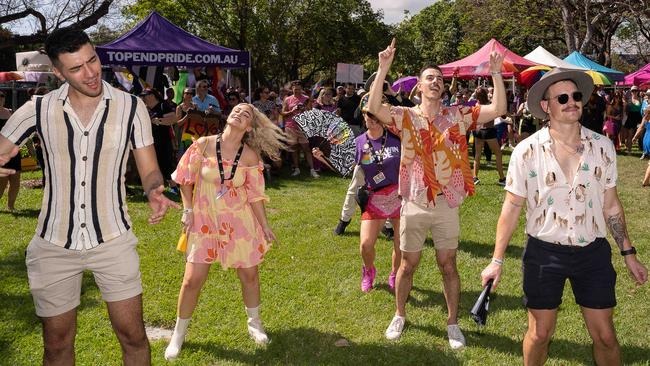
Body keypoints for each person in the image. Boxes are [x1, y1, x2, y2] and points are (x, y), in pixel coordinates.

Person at [0, 28, 179, 365]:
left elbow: (150, 169)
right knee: (56, 345)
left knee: (134, 337)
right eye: (77, 68)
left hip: (113, 240)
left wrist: (155, 189)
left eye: (92, 60)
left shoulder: (131, 107)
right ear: (57, 72)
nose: (91, 72)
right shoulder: (36, 109)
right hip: (53, 245)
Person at [480, 68, 648, 366]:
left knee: (606, 336)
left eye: (576, 95)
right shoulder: (526, 151)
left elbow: (611, 205)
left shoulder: (603, 146)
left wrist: (628, 253)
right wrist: (496, 260)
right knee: (540, 334)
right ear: (546, 106)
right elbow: (512, 207)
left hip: (593, 254)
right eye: (563, 97)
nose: (572, 102)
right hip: (544, 254)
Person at [367, 39, 507, 348]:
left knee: (448, 264)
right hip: (414, 202)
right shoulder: (404, 116)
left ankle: (453, 323)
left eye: (439, 79)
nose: (436, 82)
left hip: (446, 204)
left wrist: (496, 73)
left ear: (443, 88)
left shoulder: (457, 115)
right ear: (419, 86)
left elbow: (499, 108)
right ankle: (400, 314)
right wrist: (382, 68)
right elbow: (374, 107)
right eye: (429, 78)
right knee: (407, 264)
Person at [164, 103, 284, 360]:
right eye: (237, 109)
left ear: (249, 126)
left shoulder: (250, 156)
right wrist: (188, 210)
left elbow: (254, 195)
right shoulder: (203, 144)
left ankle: (255, 324)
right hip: (205, 222)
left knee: (249, 276)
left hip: (239, 223)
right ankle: (178, 334)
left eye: (246, 113)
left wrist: (264, 226)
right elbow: (185, 179)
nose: (240, 113)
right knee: (192, 279)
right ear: (229, 116)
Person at [280, 80, 319, 178]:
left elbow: (311, 112)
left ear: (301, 89)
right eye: (295, 89)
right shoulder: (287, 99)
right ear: (292, 88)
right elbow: (283, 113)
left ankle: (312, 169)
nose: (296, 91)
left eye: (298, 89)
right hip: (290, 126)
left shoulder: (306, 98)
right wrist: (292, 111)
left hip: (303, 126)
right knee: (294, 149)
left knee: (306, 148)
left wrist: (305, 110)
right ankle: (297, 169)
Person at [472, 87, 506, 186]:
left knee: (477, 155)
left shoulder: (475, 105)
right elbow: (502, 115)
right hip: (488, 131)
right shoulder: (490, 105)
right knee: (498, 154)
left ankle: (475, 178)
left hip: (478, 131)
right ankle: (502, 178)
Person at [0, 90, 20, 211]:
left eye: (2, 97)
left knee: (15, 180)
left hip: (13, 151)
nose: (0, 99)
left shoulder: (11, 113)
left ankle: (11, 206)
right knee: (2, 181)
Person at [623, 86, 642, 154]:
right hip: (630, 118)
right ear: (631, 92)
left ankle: (629, 150)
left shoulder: (641, 99)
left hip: (638, 118)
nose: (634, 92)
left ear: (638, 91)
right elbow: (625, 111)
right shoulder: (629, 100)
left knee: (632, 135)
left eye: (635, 91)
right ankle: (628, 148)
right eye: (633, 91)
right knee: (626, 135)